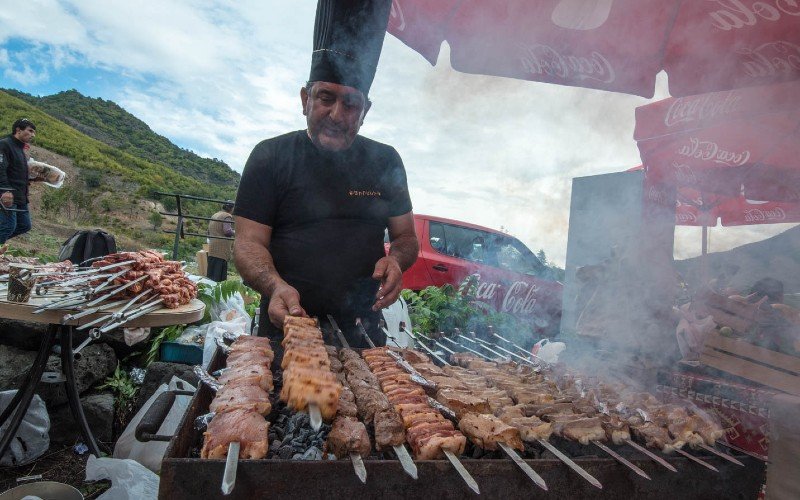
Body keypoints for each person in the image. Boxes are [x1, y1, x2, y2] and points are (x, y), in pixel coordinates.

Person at [234, 0, 418, 347]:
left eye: (350, 104)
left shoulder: (386, 161)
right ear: (305, 99)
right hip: (287, 321)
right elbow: (248, 243)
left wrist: (395, 260)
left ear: (365, 111)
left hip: (363, 328)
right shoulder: (270, 156)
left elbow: (407, 237)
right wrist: (274, 285)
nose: (336, 114)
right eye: (325, 98)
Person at [0, 118, 36, 245]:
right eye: (30, 131)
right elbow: (1, 168)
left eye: (34, 132)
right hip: (8, 194)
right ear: (18, 130)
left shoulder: (20, 150)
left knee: (24, 225)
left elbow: (15, 171)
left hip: (20, 195)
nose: (33, 135)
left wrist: (33, 178)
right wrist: (5, 190)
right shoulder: (5, 144)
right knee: (8, 226)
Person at [206, 200, 235, 282]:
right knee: (218, 279)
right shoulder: (227, 215)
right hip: (221, 251)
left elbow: (208, 231)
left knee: (211, 276)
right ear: (231, 208)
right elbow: (227, 231)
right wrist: (236, 233)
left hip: (212, 248)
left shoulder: (215, 215)